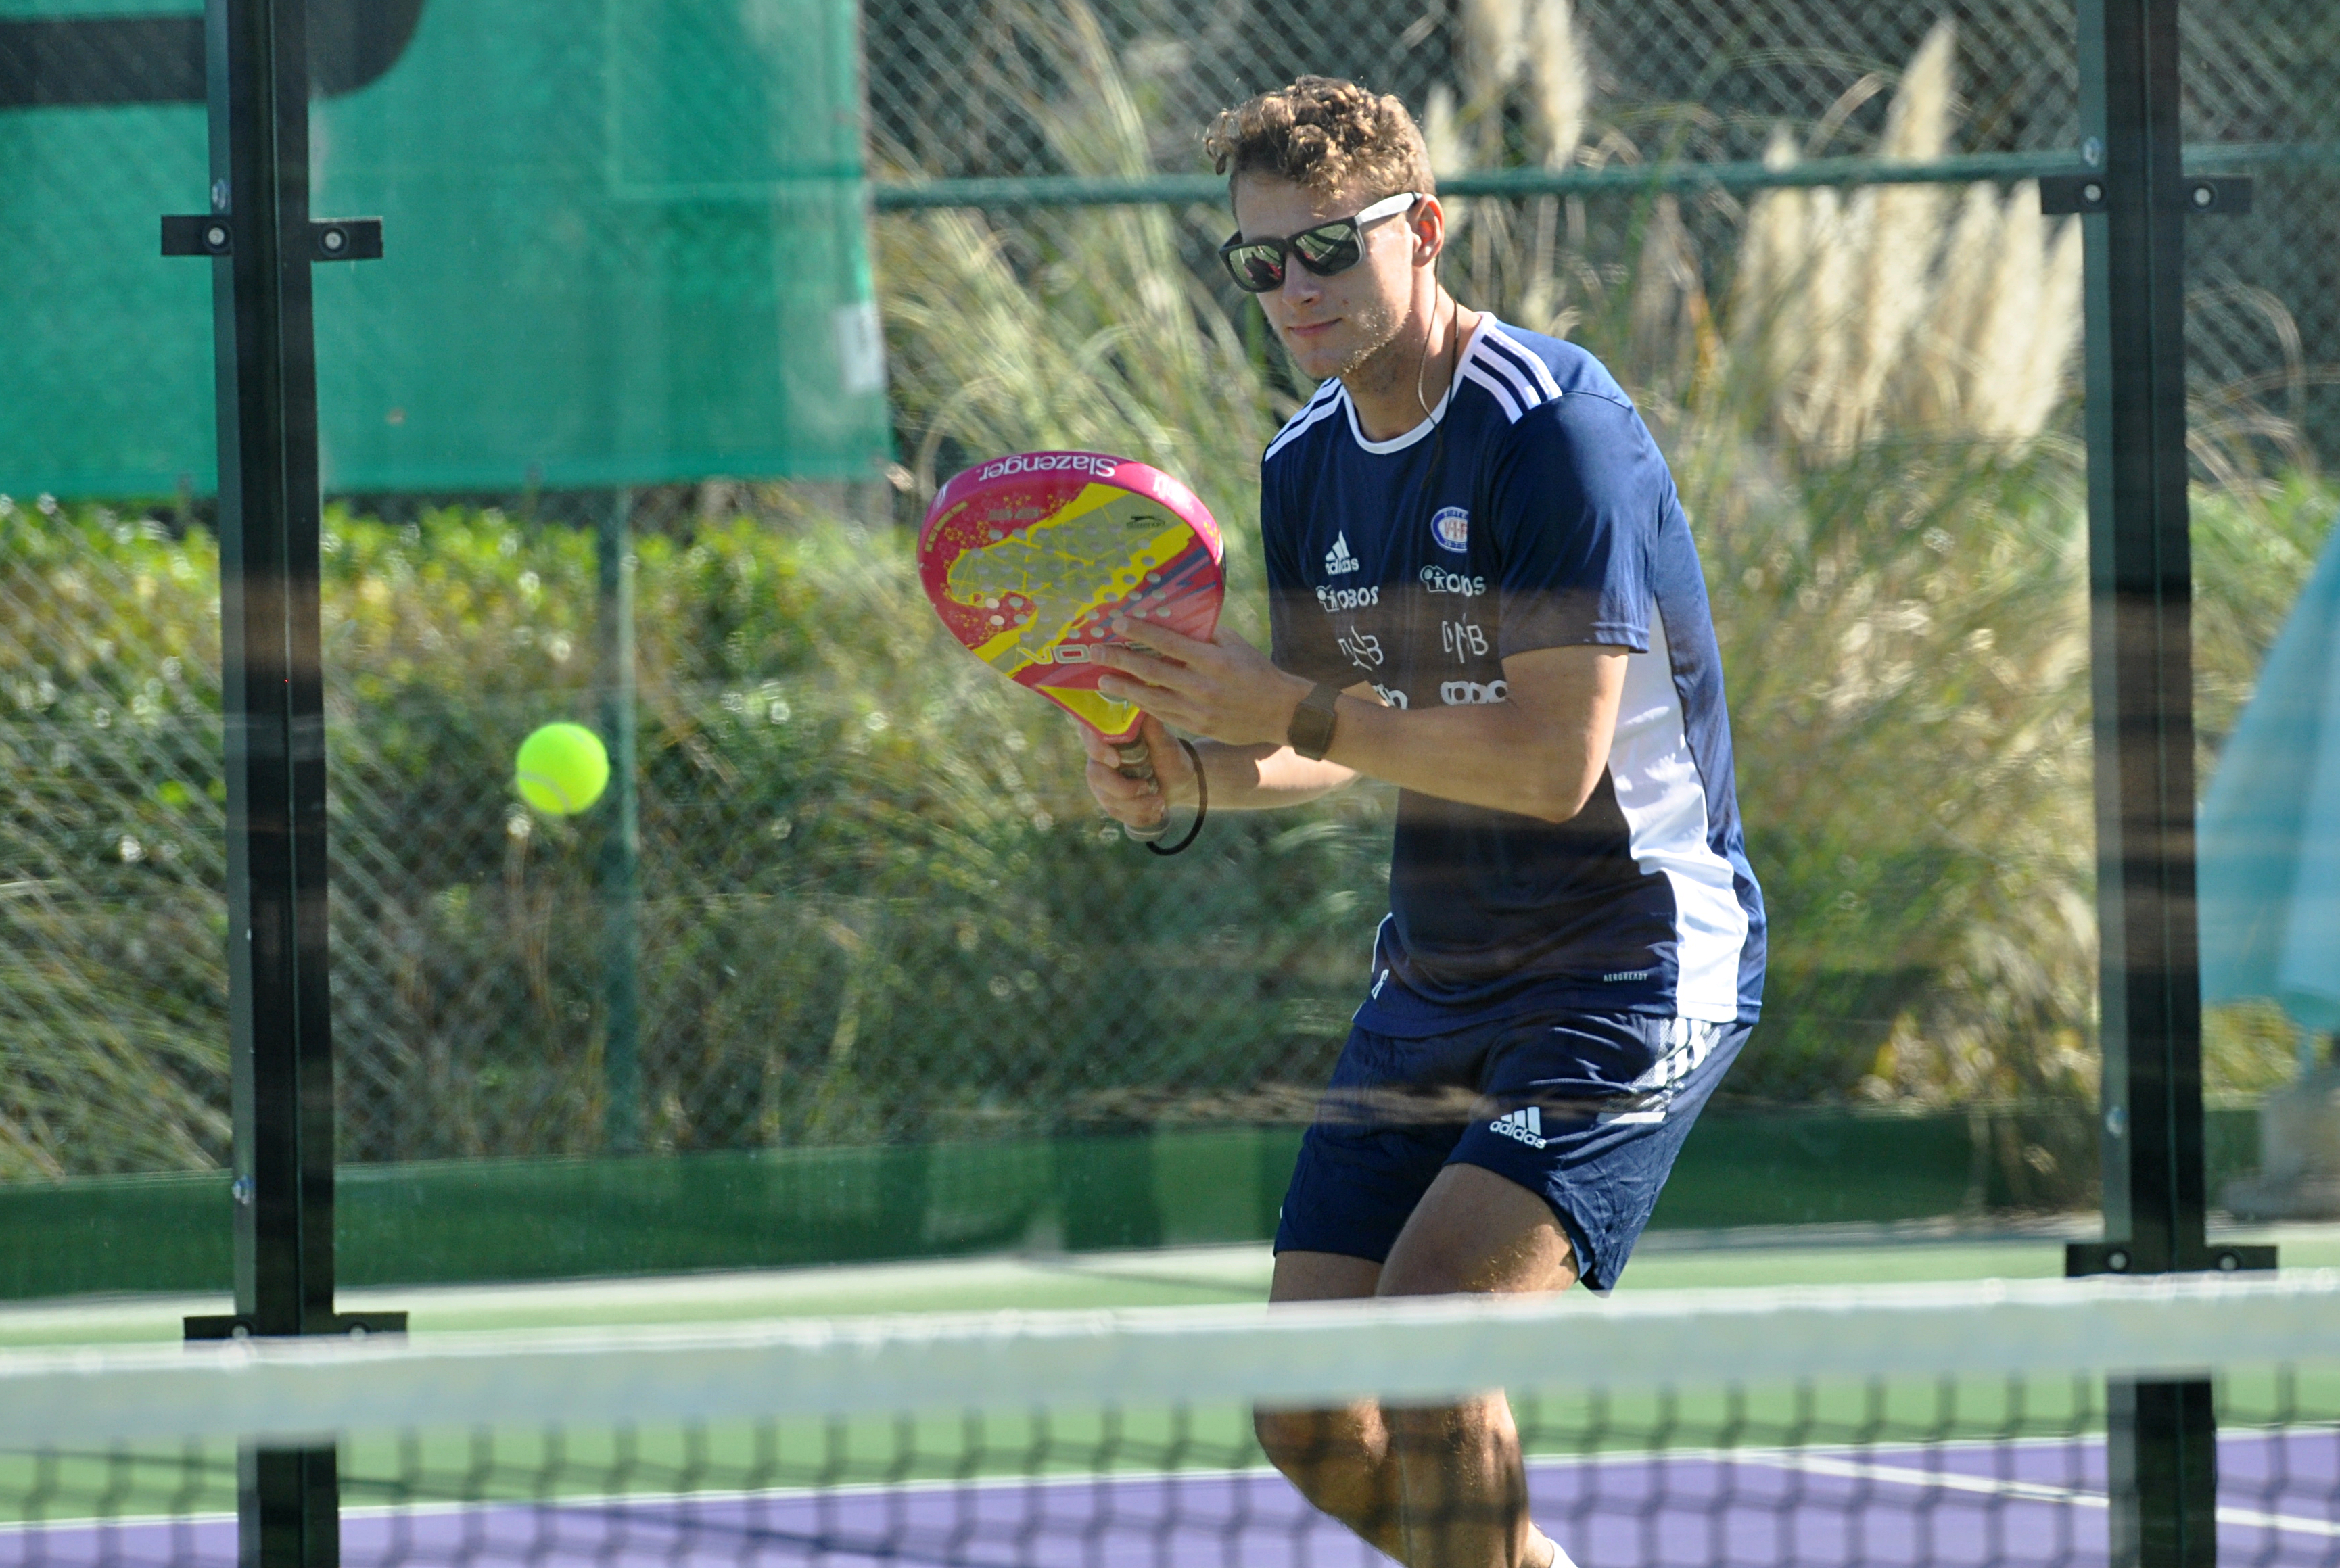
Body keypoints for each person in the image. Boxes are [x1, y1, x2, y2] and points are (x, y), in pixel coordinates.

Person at [1077, 76, 1764, 1568]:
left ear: (1424, 229)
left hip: (1629, 958)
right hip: (1435, 975)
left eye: (1327, 247)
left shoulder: (1553, 432)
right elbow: (1332, 732)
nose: (1292, 290)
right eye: (1258, 262)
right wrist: (1187, 778)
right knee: (1305, 1409)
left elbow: (1545, 765)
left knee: (1432, 1339)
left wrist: (1287, 716)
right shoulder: (1301, 463)